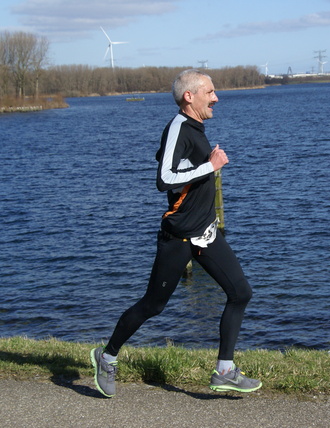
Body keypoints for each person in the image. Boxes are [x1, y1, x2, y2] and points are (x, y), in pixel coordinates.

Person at [90, 69, 261, 398]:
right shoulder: (179, 127)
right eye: (210, 92)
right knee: (153, 306)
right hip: (179, 238)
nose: (216, 97)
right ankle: (107, 356)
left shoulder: (195, 128)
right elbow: (164, 178)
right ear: (190, 96)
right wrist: (210, 166)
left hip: (205, 233)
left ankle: (225, 370)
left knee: (240, 293)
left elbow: (178, 168)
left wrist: (204, 167)